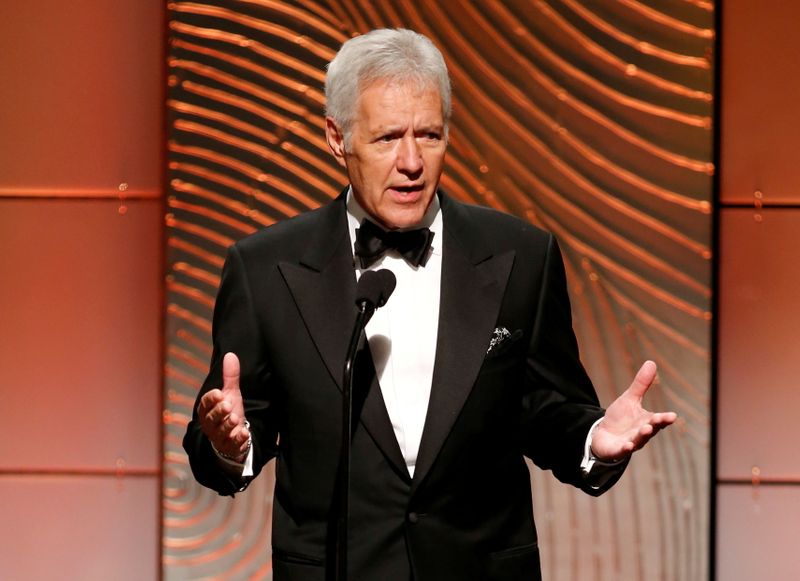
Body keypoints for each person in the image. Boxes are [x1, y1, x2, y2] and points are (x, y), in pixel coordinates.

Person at [183, 28, 677, 581]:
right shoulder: (265, 270)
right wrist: (226, 444)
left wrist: (595, 440)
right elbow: (225, 436)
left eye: (430, 135)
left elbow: (546, 409)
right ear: (335, 137)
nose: (412, 161)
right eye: (388, 137)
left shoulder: (521, 256)